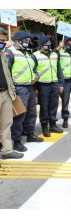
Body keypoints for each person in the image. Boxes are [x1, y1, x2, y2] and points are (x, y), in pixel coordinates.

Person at [5, 31, 44, 152]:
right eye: (25, 40)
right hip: (19, 88)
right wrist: (11, 90)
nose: (28, 42)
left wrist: (36, 76)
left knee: (32, 112)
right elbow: (7, 72)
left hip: (30, 87)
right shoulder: (10, 53)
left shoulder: (27, 54)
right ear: (17, 41)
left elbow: (33, 69)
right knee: (19, 115)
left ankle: (29, 134)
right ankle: (16, 140)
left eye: (28, 40)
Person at [31, 36, 64, 137]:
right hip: (42, 85)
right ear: (41, 45)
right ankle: (44, 126)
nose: (49, 44)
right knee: (44, 107)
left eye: (49, 42)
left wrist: (61, 84)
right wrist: (35, 88)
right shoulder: (35, 56)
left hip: (54, 84)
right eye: (46, 43)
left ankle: (53, 125)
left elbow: (59, 70)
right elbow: (32, 71)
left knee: (54, 105)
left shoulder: (54, 54)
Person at [0, 27, 23, 159]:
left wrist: (12, 90)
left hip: (6, 93)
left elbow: (7, 74)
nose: (3, 43)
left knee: (6, 123)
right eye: (1, 40)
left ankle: (7, 150)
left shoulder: (2, 54)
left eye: (3, 40)